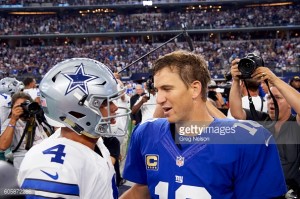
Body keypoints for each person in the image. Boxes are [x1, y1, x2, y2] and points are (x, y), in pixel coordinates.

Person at [121, 50, 286, 199]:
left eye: (167, 89)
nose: (159, 99)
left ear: (195, 89)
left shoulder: (248, 141)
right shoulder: (146, 133)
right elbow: (142, 190)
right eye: (157, 90)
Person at [18, 58, 131, 198]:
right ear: (76, 110)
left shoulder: (96, 144)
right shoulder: (53, 166)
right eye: (103, 102)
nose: (114, 108)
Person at [229, 59, 300, 195]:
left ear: (290, 102)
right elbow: (237, 112)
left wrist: (273, 78)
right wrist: (236, 81)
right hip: (265, 191)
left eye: (277, 98)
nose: (271, 102)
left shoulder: (295, 123)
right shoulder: (263, 120)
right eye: (268, 98)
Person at [0, 92, 50, 169]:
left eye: (26, 104)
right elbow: (2, 146)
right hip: (25, 165)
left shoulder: (39, 118)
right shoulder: (10, 123)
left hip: (46, 161)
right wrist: (13, 120)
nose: (23, 108)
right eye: (19, 106)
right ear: (13, 108)